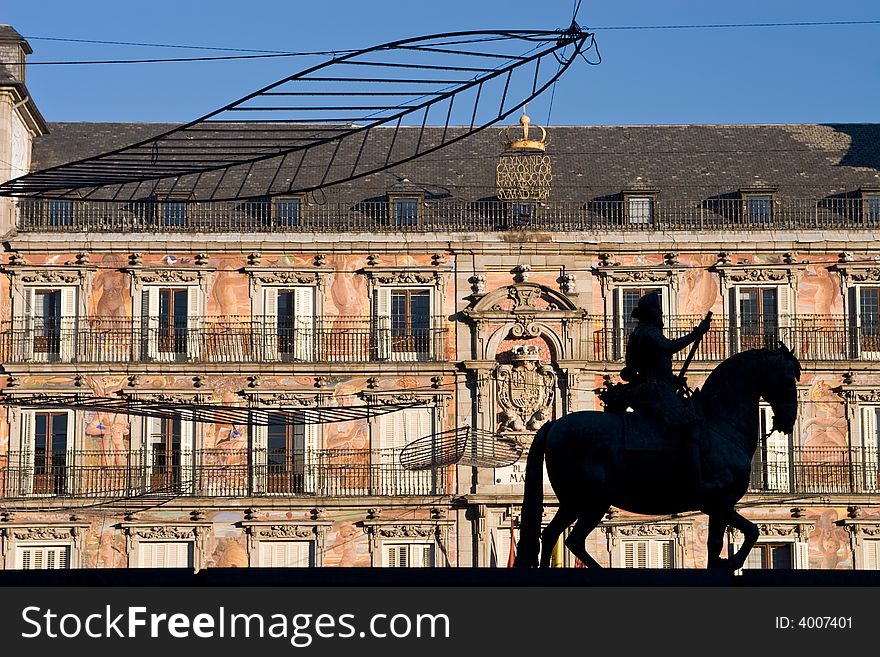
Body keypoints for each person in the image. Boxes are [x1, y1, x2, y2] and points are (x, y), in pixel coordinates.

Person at [620, 291, 715, 495]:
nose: (661, 316)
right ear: (652, 314)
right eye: (659, 312)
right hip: (654, 389)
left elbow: (645, 364)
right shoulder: (650, 332)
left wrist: (672, 380)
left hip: (645, 387)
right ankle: (696, 479)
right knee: (690, 425)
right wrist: (696, 333)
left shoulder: (637, 333)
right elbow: (668, 347)